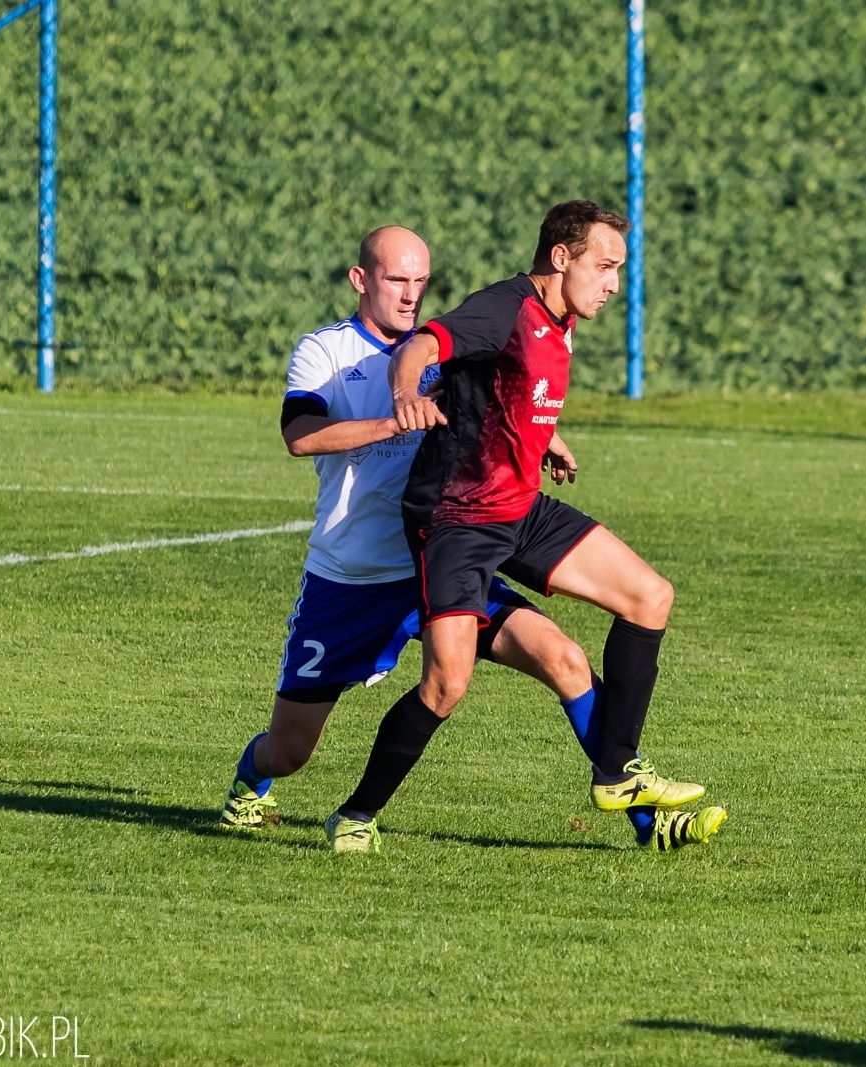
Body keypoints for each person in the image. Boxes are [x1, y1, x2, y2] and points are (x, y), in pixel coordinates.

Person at [218, 225, 656, 851]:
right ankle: (250, 779)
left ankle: (643, 814)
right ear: (360, 278)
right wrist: (395, 416)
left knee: (561, 657)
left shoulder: (448, 348)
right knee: (290, 750)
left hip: (442, 554)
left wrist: (541, 436)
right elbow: (302, 435)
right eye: (397, 279)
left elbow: (498, 396)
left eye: (420, 281)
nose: (410, 294)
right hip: (351, 577)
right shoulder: (327, 351)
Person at [325, 200, 727, 855]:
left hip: (520, 508)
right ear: (561, 258)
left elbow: (501, 390)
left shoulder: (558, 319)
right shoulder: (506, 307)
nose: (614, 285)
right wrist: (406, 393)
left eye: (619, 270)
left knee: (646, 597)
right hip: (457, 519)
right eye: (604, 266)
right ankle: (355, 814)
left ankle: (622, 778)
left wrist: (545, 438)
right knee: (446, 683)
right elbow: (427, 343)